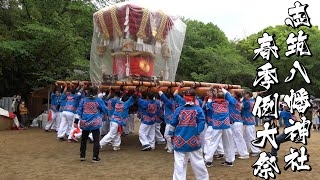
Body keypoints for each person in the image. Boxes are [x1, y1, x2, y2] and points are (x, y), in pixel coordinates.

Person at [169, 89, 209, 180]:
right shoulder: (198, 109)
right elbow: (202, 123)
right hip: (193, 140)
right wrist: (196, 133)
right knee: (198, 162)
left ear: (184, 98)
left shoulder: (179, 109)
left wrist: (171, 134)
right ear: (194, 98)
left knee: (179, 164)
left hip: (180, 140)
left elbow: (173, 123)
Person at [204, 86, 236, 167]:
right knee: (228, 143)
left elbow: (208, 103)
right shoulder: (227, 103)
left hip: (216, 126)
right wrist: (223, 89)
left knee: (213, 143)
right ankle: (229, 161)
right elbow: (232, 99)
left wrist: (211, 96)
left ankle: (208, 161)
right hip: (226, 125)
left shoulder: (213, 104)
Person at [74, 86, 108, 163]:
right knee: (96, 140)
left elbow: (79, 111)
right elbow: (105, 109)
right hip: (95, 122)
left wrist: (76, 121)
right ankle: (95, 157)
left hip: (85, 122)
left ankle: (82, 156)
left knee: (83, 139)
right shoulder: (98, 100)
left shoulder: (84, 100)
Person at [229, 91, 249, 159]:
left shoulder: (234, 100)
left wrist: (222, 88)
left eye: (232, 93)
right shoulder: (237, 101)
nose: (231, 94)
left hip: (236, 122)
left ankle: (244, 153)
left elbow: (227, 95)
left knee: (239, 138)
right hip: (235, 122)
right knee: (235, 138)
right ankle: (237, 151)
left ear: (235, 96)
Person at [242, 91, 261, 156]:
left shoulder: (247, 102)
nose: (244, 95)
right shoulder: (252, 100)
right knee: (246, 137)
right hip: (250, 121)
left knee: (250, 137)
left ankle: (256, 150)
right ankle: (248, 149)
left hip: (248, 121)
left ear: (249, 95)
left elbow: (240, 106)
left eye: (246, 94)